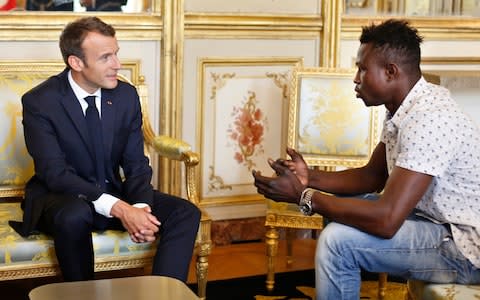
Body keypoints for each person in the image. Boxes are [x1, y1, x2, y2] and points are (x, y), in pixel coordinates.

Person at [253, 19, 480, 299]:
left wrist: (304, 196)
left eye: (362, 69)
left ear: (390, 72)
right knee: (338, 212)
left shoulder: (429, 119)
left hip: (464, 248)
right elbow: (372, 176)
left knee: (338, 242)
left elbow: (386, 220)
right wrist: (308, 177)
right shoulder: (406, 108)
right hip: (434, 221)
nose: (356, 78)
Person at [11, 16, 200, 283]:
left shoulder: (125, 96)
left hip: (113, 192)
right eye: (105, 57)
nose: (117, 65)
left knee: (185, 212)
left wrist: (141, 209)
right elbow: (54, 173)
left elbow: (136, 163)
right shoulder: (41, 102)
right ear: (76, 62)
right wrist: (121, 209)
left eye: (116, 54)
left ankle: (164, 293)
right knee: (74, 215)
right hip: (63, 197)